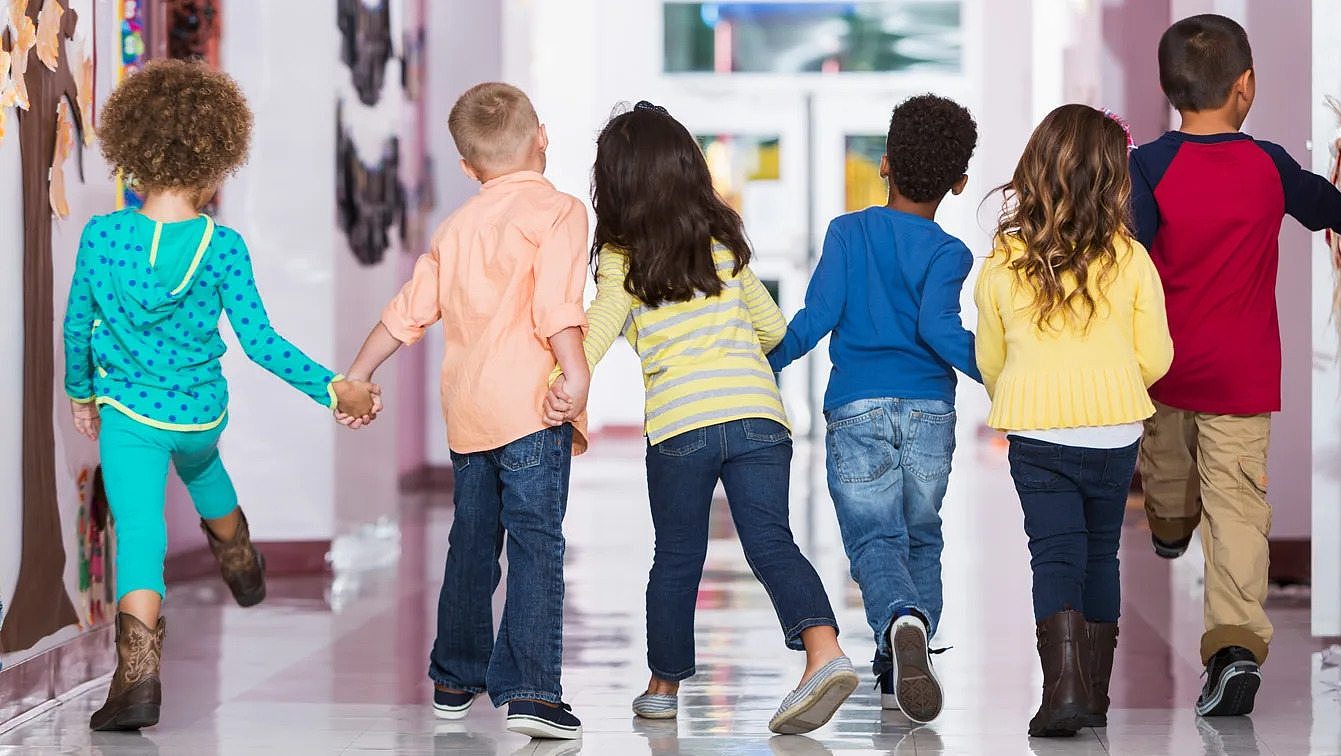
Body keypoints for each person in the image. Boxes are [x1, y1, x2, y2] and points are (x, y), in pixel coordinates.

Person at [64, 60, 379, 732]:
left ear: (134, 151)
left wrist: (80, 395)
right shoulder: (223, 247)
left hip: (129, 417)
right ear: (216, 156)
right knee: (204, 467)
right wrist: (334, 387)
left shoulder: (102, 236)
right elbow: (261, 343)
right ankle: (240, 557)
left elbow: (75, 328)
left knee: (142, 538)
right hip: (200, 413)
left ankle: (137, 684)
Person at [543, 101, 858, 735]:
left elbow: (598, 330)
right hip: (757, 419)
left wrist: (562, 382)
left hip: (682, 425)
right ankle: (824, 651)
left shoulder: (624, 259)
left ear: (618, 182)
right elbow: (771, 329)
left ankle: (662, 688)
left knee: (678, 557)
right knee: (771, 542)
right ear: (689, 169)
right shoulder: (723, 244)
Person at [1130, 14, 1341, 717]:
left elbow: (1128, 250)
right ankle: (1235, 644)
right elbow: (1314, 199)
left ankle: (1172, 525)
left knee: (1169, 472)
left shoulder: (1147, 166)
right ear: (1246, 87)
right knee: (1239, 509)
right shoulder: (1269, 163)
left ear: (1168, 90)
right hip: (1242, 380)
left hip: (1166, 372)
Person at [342, 83, 592, 740]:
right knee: (537, 542)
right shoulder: (560, 212)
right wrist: (578, 370)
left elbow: (408, 313)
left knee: (472, 543)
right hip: (533, 409)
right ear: (542, 135)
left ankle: (455, 678)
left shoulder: (454, 229)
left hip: (470, 413)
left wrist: (358, 374)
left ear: (467, 167)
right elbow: (557, 307)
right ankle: (535, 692)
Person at [765, 94, 980, 723]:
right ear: (959, 182)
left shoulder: (847, 232)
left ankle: (901, 623)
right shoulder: (949, 253)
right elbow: (941, 332)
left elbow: (816, 319)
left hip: (858, 408)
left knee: (874, 540)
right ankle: (900, 669)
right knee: (921, 537)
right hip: (929, 415)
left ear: (884, 163)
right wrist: (1001, 371)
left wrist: (764, 361)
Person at [975, 104, 1174, 736]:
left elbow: (990, 355)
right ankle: (1093, 697)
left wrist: (1024, 390)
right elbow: (1158, 355)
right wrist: (1113, 386)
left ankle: (1060, 691)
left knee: (1054, 555)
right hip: (1115, 431)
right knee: (1101, 555)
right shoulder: (1132, 257)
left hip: (1036, 432)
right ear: (1114, 177)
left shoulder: (1006, 259)